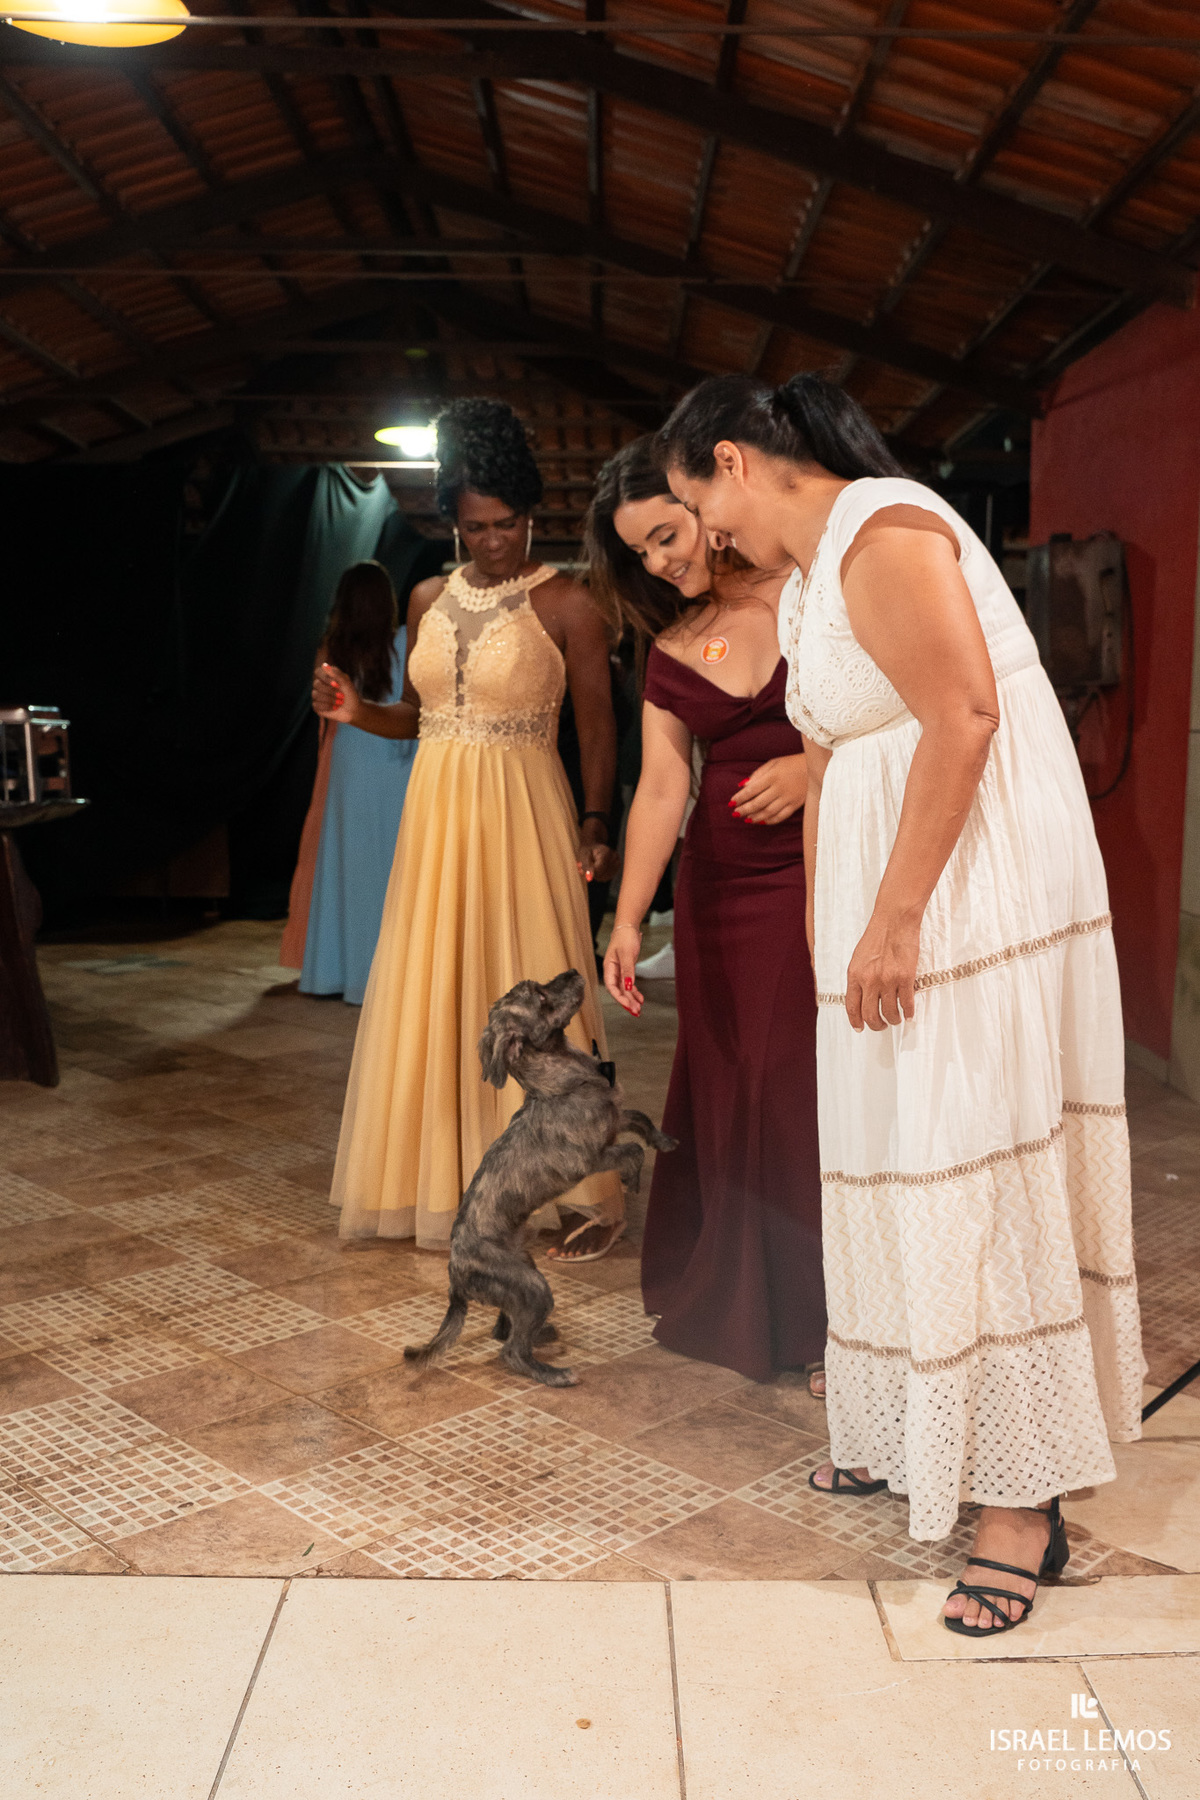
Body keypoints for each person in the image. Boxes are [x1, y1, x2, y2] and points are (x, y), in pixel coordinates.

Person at [658, 372, 1142, 1636]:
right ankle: (907, 1428)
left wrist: (897, 914)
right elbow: (842, 756)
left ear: (734, 462)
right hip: (883, 914)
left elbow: (966, 716)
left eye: (693, 504)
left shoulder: (885, 530)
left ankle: (1018, 1506)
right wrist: (837, 939)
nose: (704, 538)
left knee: (971, 1172)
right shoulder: (816, 576)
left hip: (961, 900)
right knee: (888, 1167)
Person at [314, 399, 625, 1260]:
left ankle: (576, 1182)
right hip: (437, 817)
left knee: (528, 981)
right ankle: (440, 1172)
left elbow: (598, 727)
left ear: (532, 513)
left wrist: (600, 819)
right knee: (436, 983)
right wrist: (352, 710)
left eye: (512, 523)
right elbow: (415, 720)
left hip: (524, 810)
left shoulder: (568, 603)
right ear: (452, 521)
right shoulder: (425, 596)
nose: (498, 541)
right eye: (479, 526)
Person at [589, 437, 826, 1384]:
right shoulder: (673, 647)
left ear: (707, 498)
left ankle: (825, 1321)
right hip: (718, 891)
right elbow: (658, 791)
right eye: (639, 553)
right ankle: (742, 1299)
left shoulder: (813, 590)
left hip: (815, 876)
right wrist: (625, 919)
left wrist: (817, 768)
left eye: (664, 534)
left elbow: (902, 711)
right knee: (731, 1086)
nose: (658, 562)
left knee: (795, 1090)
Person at [285, 561, 417, 1005]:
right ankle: (386, 978)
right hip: (395, 755)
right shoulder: (404, 643)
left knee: (348, 864)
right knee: (389, 868)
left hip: (350, 758)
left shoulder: (333, 648)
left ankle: (336, 973)